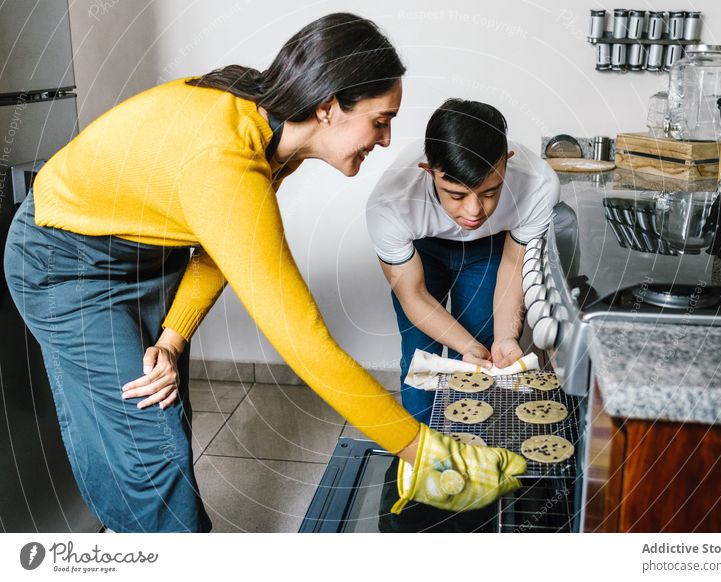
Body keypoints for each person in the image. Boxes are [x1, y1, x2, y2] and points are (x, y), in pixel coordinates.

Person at [3, 14, 525, 532]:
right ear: (328, 107)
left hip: (145, 252)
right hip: (65, 262)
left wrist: (173, 337)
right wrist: (422, 451)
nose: (387, 140)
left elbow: (219, 243)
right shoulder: (224, 160)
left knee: (164, 418)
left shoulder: (270, 132)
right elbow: (305, 343)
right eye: (380, 120)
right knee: (148, 445)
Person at [367, 98, 570, 423]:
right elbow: (414, 297)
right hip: (422, 249)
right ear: (429, 172)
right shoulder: (391, 204)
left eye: (490, 192)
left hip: (491, 246)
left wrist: (503, 338)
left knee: (487, 346)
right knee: (421, 354)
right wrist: (464, 345)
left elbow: (514, 265)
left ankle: (472, 445)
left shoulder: (538, 185)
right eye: (456, 195)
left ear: (507, 162)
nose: (474, 211)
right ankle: (420, 447)